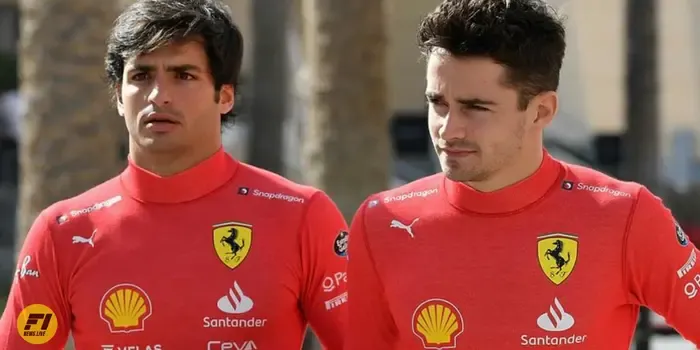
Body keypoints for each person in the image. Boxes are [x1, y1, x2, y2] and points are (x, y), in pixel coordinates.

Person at [345, 0, 700, 349]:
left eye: (475, 108)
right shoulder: (381, 224)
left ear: (541, 111)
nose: (448, 130)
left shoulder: (626, 215)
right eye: (438, 104)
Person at [0, 0, 349, 349]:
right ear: (120, 97)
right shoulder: (63, 231)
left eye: (184, 75)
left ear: (225, 95)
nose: (158, 96)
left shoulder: (302, 215)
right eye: (141, 75)